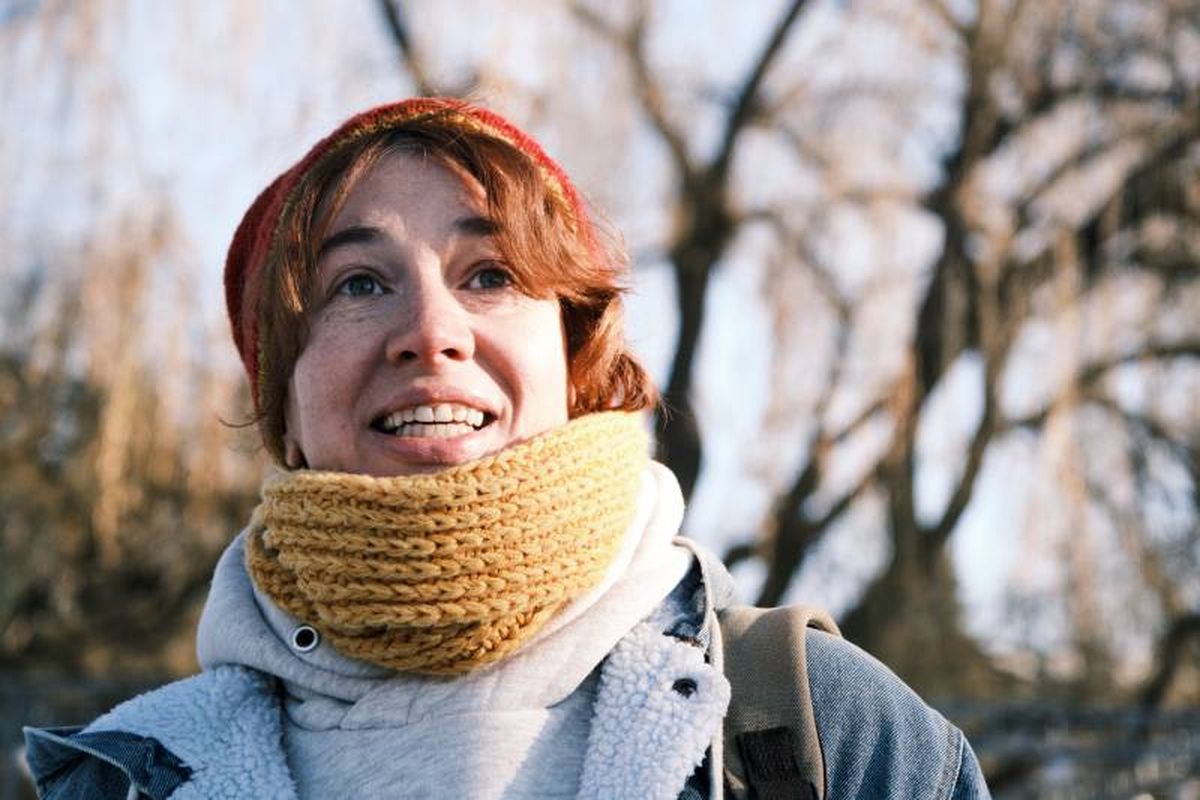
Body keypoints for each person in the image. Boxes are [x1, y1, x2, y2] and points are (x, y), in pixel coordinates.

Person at [23, 98, 990, 799]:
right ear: (282, 394)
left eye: (488, 274)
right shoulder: (119, 778)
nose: (430, 331)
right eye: (358, 284)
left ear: (575, 362)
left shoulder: (819, 730)